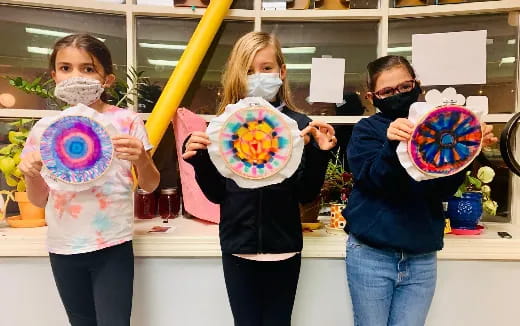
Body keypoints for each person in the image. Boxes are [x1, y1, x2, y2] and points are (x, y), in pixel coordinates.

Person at [182, 31, 336, 326]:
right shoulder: (223, 128)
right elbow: (216, 194)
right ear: (237, 76)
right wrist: (200, 159)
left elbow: (305, 194)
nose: (258, 77)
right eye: (248, 70)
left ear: (282, 71)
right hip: (238, 247)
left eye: (266, 68)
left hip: (285, 248)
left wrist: (319, 153)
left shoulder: (300, 126)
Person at [343, 55, 497, 326]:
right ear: (372, 97)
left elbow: (443, 189)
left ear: (418, 85)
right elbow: (377, 182)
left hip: (421, 256)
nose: (398, 95)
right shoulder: (366, 130)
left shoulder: (438, 127)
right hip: (371, 255)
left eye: (405, 87)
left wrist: (467, 148)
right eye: (387, 91)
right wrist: (392, 145)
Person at [19, 33, 160, 326]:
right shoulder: (45, 129)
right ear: (54, 75)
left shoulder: (126, 121)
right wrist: (30, 173)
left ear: (106, 78)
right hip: (63, 245)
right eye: (66, 68)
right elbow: (37, 199)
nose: (76, 76)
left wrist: (142, 159)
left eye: (88, 68)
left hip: (112, 244)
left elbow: (150, 185)